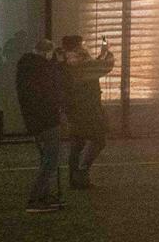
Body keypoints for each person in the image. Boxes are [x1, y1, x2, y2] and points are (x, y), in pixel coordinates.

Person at [15, 38, 66, 214]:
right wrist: (58, 65)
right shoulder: (42, 69)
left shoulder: (26, 67)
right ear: (47, 53)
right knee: (50, 161)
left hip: (35, 120)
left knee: (46, 159)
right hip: (47, 120)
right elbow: (54, 88)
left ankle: (43, 196)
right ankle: (35, 198)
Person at [61, 34, 114, 189]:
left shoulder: (66, 62)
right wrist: (107, 53)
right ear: (77, 46)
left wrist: (102, 54)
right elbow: (104, 67)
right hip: (88, 109)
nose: (84, 46)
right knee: (99, 139)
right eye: (82, 44)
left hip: (74, 108)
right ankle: (81, 173)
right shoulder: (80, 62)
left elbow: (93, 66)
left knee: (77, 143)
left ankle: (74, 178)